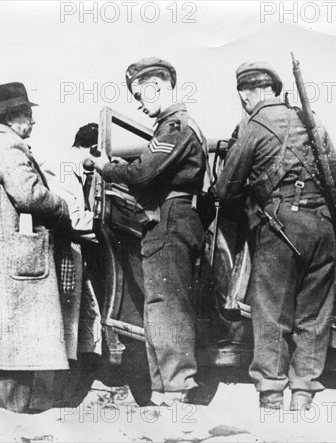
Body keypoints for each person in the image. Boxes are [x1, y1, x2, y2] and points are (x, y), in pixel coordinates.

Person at [214, 62, 336, 410]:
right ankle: (302, 398)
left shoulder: (253, 124)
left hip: (282, 227)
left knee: (270, 314)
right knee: (313, 318)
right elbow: (335, 173)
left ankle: (271, 398)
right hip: (323, 227)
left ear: (247, 93)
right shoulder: (310, 120)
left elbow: (226, 190)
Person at [88, 57, 206, 405]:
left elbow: (143, 175)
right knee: (158, 309)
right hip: (170, 220)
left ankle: (175, 391)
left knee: (166, 309)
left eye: (141, 93)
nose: (139, 103)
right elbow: (147, 171)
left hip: (169, 221)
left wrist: (105, 167)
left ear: (158, 85)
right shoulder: (173, 128)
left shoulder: (175, 126)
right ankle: (163, 392)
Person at [0, 82, 71, 413]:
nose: (32, 122)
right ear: (13, 116)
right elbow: (28, 195)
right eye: (28, 114)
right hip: (15, 272)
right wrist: (61, 207)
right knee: (17, 350)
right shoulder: (9, 149)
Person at [42, 122, 102, 359]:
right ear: (95, 149)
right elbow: (74, 219)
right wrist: (107, 225)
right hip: (60, 251)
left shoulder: (71, 168)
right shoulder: (62, 168)